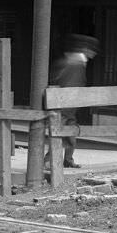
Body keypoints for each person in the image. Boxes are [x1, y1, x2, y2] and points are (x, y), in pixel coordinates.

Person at [47, 34, 99, 169]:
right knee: (61, 133)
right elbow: (72, 85)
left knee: (70, 133)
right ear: (86, 50)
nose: (94, 53)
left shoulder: (71, 62)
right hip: (66, 105)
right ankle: (48, 161)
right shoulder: (76, 64)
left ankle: (67, 159)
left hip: (66, 104)